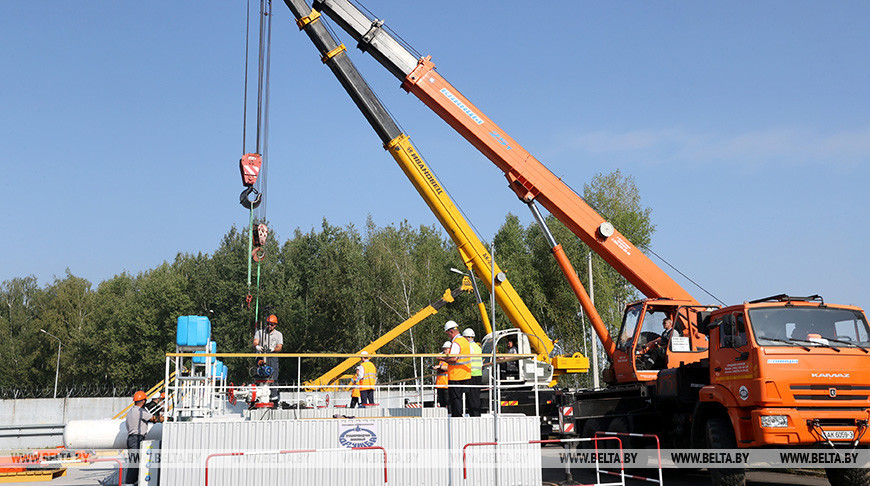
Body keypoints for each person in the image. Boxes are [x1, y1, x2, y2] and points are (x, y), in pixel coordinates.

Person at [125, 391, 161, 485]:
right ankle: (129, 483)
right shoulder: (140, 412)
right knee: (135, 462)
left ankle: (133, 482)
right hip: (136, 439)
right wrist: (165, 419)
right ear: (143, 401)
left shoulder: (131, 411)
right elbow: (154, 419)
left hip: (131, 438)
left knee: (135, 462)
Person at [438, 320, 472, 417]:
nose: (448, 336)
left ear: (451, 332)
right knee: (460, 398)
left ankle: (457, 417)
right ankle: (459, 415)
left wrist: (441, 358)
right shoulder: (464, 341)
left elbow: (453, 359)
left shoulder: (456, 343)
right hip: (465, 374)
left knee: (455, 398)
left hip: (456, 376)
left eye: (447, 333)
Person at [253, 314, 283, 381]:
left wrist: (273, 349)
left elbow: (279, 347)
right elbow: (255, 342)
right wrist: (257, 347)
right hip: (261, 356)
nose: (269, 326)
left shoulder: (278, 334)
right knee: (260, 375)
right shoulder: (260, 332)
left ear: (275, 325)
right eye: (268, 324)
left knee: (273, 377)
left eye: (272, 325)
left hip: (272, 357)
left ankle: (273, 390)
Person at [462, 328, 482, 417]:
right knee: (475, 398)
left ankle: (474, 417)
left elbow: (464, 360)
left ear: (466, 338)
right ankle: (476, 416)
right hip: (478, 374)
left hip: (471, 374)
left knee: (471, 399)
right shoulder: (477, 347)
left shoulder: (469, 347)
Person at [433, 341, 451, 409]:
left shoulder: (451, 358)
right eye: (444, 349)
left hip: (446, 385)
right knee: (442, 404)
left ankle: (449, 415)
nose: (444, 351)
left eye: (446, 349)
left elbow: (449, 368)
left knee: (448, 403)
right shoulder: (442, 360)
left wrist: (440, 367)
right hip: (440, 384)